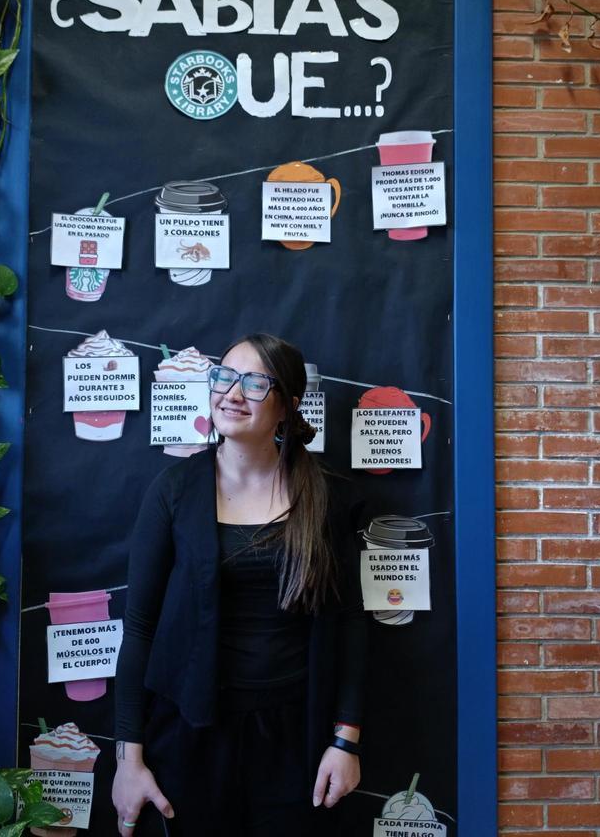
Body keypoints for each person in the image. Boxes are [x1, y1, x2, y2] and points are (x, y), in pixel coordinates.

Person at [112, 333, 368, 837]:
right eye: (225, 376)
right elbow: (140, 627)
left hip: (296, 737)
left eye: (255, 383)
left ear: (288, 405)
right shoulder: (173, 491)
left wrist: (346, 742)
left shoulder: (327, 496)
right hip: (191, 732)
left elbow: (351, 624)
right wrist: (128, 759)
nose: (232, 393)